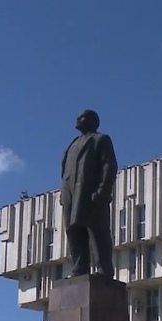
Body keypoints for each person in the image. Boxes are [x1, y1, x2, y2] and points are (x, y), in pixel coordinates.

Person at [60, 109, 118, 278]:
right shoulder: (71, 145)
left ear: (93, 120)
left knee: (97, 231)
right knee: (74, 231)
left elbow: (109, 165)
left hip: (91, 194)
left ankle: (104, 270)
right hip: (70, 195)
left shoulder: (101, 139)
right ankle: (79, 269)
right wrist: (63, 195)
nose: (78, 119)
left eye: (83, 116)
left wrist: (103, 191)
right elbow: (65, 172)